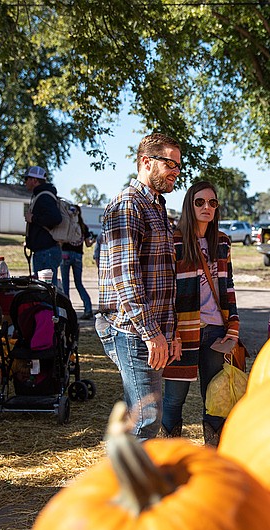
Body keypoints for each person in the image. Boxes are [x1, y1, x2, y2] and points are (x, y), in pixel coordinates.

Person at [95, 133, 182, 441]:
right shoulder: (128, 206)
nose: (176, 171)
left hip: (152, 331)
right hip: (132, 330)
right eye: (170, 163)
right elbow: (126, 279)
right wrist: (153, 333)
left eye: (178, 165)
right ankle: (130, 485)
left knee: (143, 414)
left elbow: (164, 278)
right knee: (145, 420)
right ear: (147, 162)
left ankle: (127, 482)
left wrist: (170, 334)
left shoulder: (158, 207)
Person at [161, 181, 240, 447]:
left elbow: (228, 287)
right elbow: (168, 291)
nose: (207, 207)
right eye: (200, 202)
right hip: (183, 332)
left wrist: (233, 328)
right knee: (174, 397)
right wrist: (171, 332)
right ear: (189, 205)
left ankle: (213, 456)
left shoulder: (222, 243)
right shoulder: (175, 240)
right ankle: (171, 454)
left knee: (216, 399)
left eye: (212, 203)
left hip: (216, 331)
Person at [24, 166, 63, 286]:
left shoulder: (44, 197)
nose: (25, 182)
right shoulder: (41, 195)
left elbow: (56, 218)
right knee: (44, 291)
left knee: (46, 292)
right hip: (44, 252)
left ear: (34, 180)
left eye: (27, 179)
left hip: (46, 253)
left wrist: (33, 218)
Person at [60, 205, 94, 320]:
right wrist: (93, 240)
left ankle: (66, 311)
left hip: (65, 254)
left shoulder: (66, 225)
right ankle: (88, 308)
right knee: (78, 283)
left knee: (65, 284)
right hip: (78, 256)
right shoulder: (83, 226)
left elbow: (60, 240)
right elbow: (88, 244)